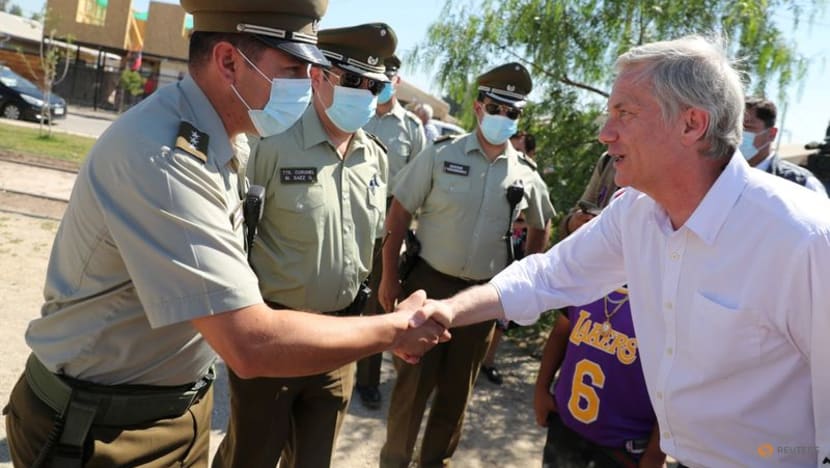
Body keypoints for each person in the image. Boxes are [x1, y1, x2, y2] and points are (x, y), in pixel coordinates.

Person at [2, 3, 448, 466]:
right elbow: (249, 343)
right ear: (229, 61)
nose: (306, 83)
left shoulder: (225, 138)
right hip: (101, 427)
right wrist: (395, 328)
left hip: (172, 408)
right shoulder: (166, 157)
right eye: (293, 68)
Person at [407, 35, 830, 467]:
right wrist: (450, 312)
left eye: (624, 113)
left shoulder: (805, 239)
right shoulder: (636, 213)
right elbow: (548, 276)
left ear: (691, 124)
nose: (604, 133)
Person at [212, 22, 401, 468]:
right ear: (319, 76)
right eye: (353, 80)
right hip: (274, 334)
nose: (365, 93)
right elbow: (232, 237)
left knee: (314, 460)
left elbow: (374, 244)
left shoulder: (375, 158)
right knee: (251, 456)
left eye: (375, 85)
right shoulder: (268, 144)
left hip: (340, 341)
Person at [378, 62, 556, 467]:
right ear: (478, 107)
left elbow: (542, 228)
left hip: (480, 300)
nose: (503, 118)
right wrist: (389, 278)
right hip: (427, 286)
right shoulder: (441, 154)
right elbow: (399, 214)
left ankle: (434, 462)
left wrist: (521, 282)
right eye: (496, 107)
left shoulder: (525, 174)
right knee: (411, 391)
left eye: (513, 113)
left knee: (456, 395)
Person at [356, 53, 427, 410]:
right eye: (377, 78)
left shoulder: (412, 128)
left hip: (390, 217)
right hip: (350, 211)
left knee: (376, 301)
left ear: (397, 82)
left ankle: (366, 379)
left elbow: (422, 184)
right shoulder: (356, 112)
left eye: (388, 79)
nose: (382, 85)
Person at [479, 130, 540, 385]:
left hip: (516, 249)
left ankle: (488, 361)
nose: (515, 152)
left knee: (503, 309)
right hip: (492, 245)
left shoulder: (530, 175)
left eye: (521, 148)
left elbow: (537, 220)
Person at [741, 96, 827, 195]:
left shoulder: (801, 184)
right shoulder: (723, 174)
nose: (737, 134)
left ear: (771, 134)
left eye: (747, 127)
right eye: (734, 127)